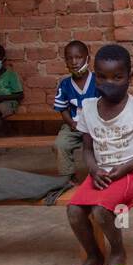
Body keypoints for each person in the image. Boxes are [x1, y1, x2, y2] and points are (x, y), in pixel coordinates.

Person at [65, 44, 133, 265]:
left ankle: (117, 252)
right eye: (103, 77)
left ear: (129, 77)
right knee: (74, 211)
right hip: (101, 174)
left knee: (100, 210)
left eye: (117, 77)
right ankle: (94, 256)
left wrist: (126, 168)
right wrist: (94, 169)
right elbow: (87, 148)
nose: (110, 83)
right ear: (95, 76)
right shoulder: (87, 108)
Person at [51, 40, 98, 177]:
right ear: (65, 62)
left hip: (96, 125)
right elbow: (63, 109)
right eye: (69, 58)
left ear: (87, 59)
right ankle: (68, 177)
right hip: (74, 126)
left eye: (78, 57)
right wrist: (71, 123)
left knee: (102, 145)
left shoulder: (97, 81)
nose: (74, 62)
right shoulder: (65, 84)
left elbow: (105, 105)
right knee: (60, 145)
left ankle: (98, 174)